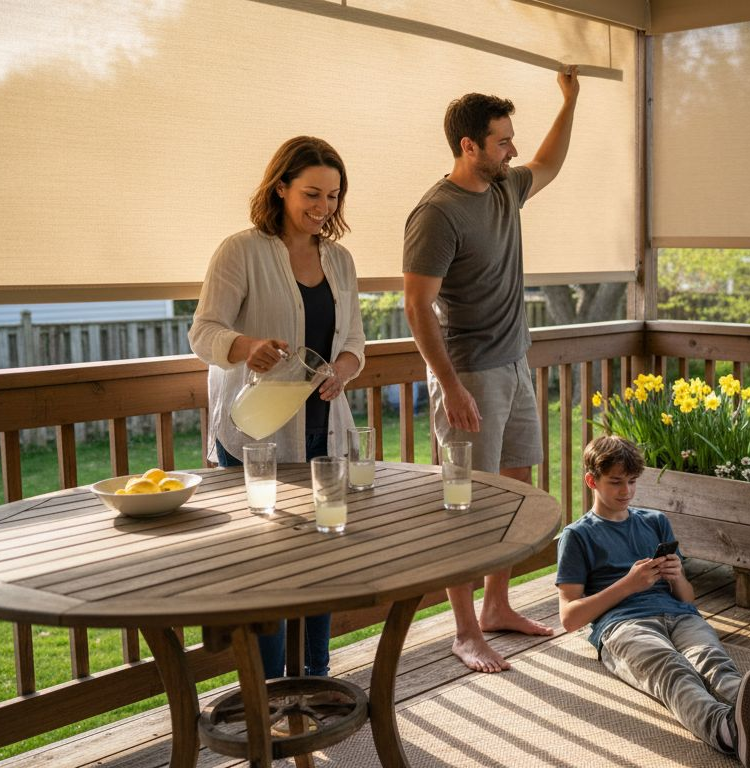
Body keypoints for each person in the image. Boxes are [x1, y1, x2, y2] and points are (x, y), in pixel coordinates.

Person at [402, 66, 580, 673]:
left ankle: (498, 606)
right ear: (468, 146)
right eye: (502, 140)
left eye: (511, 138)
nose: (514, 149)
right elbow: (416, 305)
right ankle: (464, 629)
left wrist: (571, 98)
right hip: (469, 374)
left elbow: (551, 163)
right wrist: (448, 385)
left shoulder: (505, 186)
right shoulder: (437, 214)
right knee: (467, 500)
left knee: (516, 492)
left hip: (515, 363)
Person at [189, 135, 366, 679]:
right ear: (281, 187)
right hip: (256, 433)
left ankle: (313, 677)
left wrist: (341, 371)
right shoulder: (240, 250)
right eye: (312, 194)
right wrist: (247, 348)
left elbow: (355, 344)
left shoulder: (339, 260)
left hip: (323, 432)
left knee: (324, 558)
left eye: (333, 197)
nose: (323, 208)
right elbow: (203, 333)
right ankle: (266, 689)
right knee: (263, 565)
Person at [556, 436, 750, 768]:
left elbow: (688, 598)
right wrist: (628, 585)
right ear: (592, 481)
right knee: (672, 669)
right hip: (623, 624)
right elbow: (569, 617)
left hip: (679, 615)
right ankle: (729, 730)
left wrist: (675, 576)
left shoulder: (654, 522)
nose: (626, 491)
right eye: (616, 482)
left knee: (713, 661)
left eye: (632, 482)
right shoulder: (578, 535)